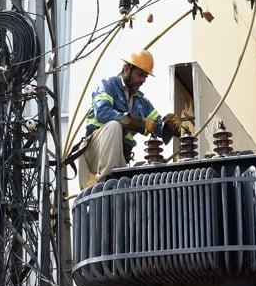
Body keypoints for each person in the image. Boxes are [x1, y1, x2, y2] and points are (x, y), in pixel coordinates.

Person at [76, 49, 181, 189]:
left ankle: (113, 181)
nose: (143, 80)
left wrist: (170, 126)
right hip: (95, 153)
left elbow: (157, 126)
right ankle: (105, 182)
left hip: (118, 158)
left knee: (130, 189)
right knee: (114, 125)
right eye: (140, 74)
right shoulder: (107, 86)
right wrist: (140, 123)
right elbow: (102, 113)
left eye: (145, 76)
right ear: (126, 69)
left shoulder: (142, 102)